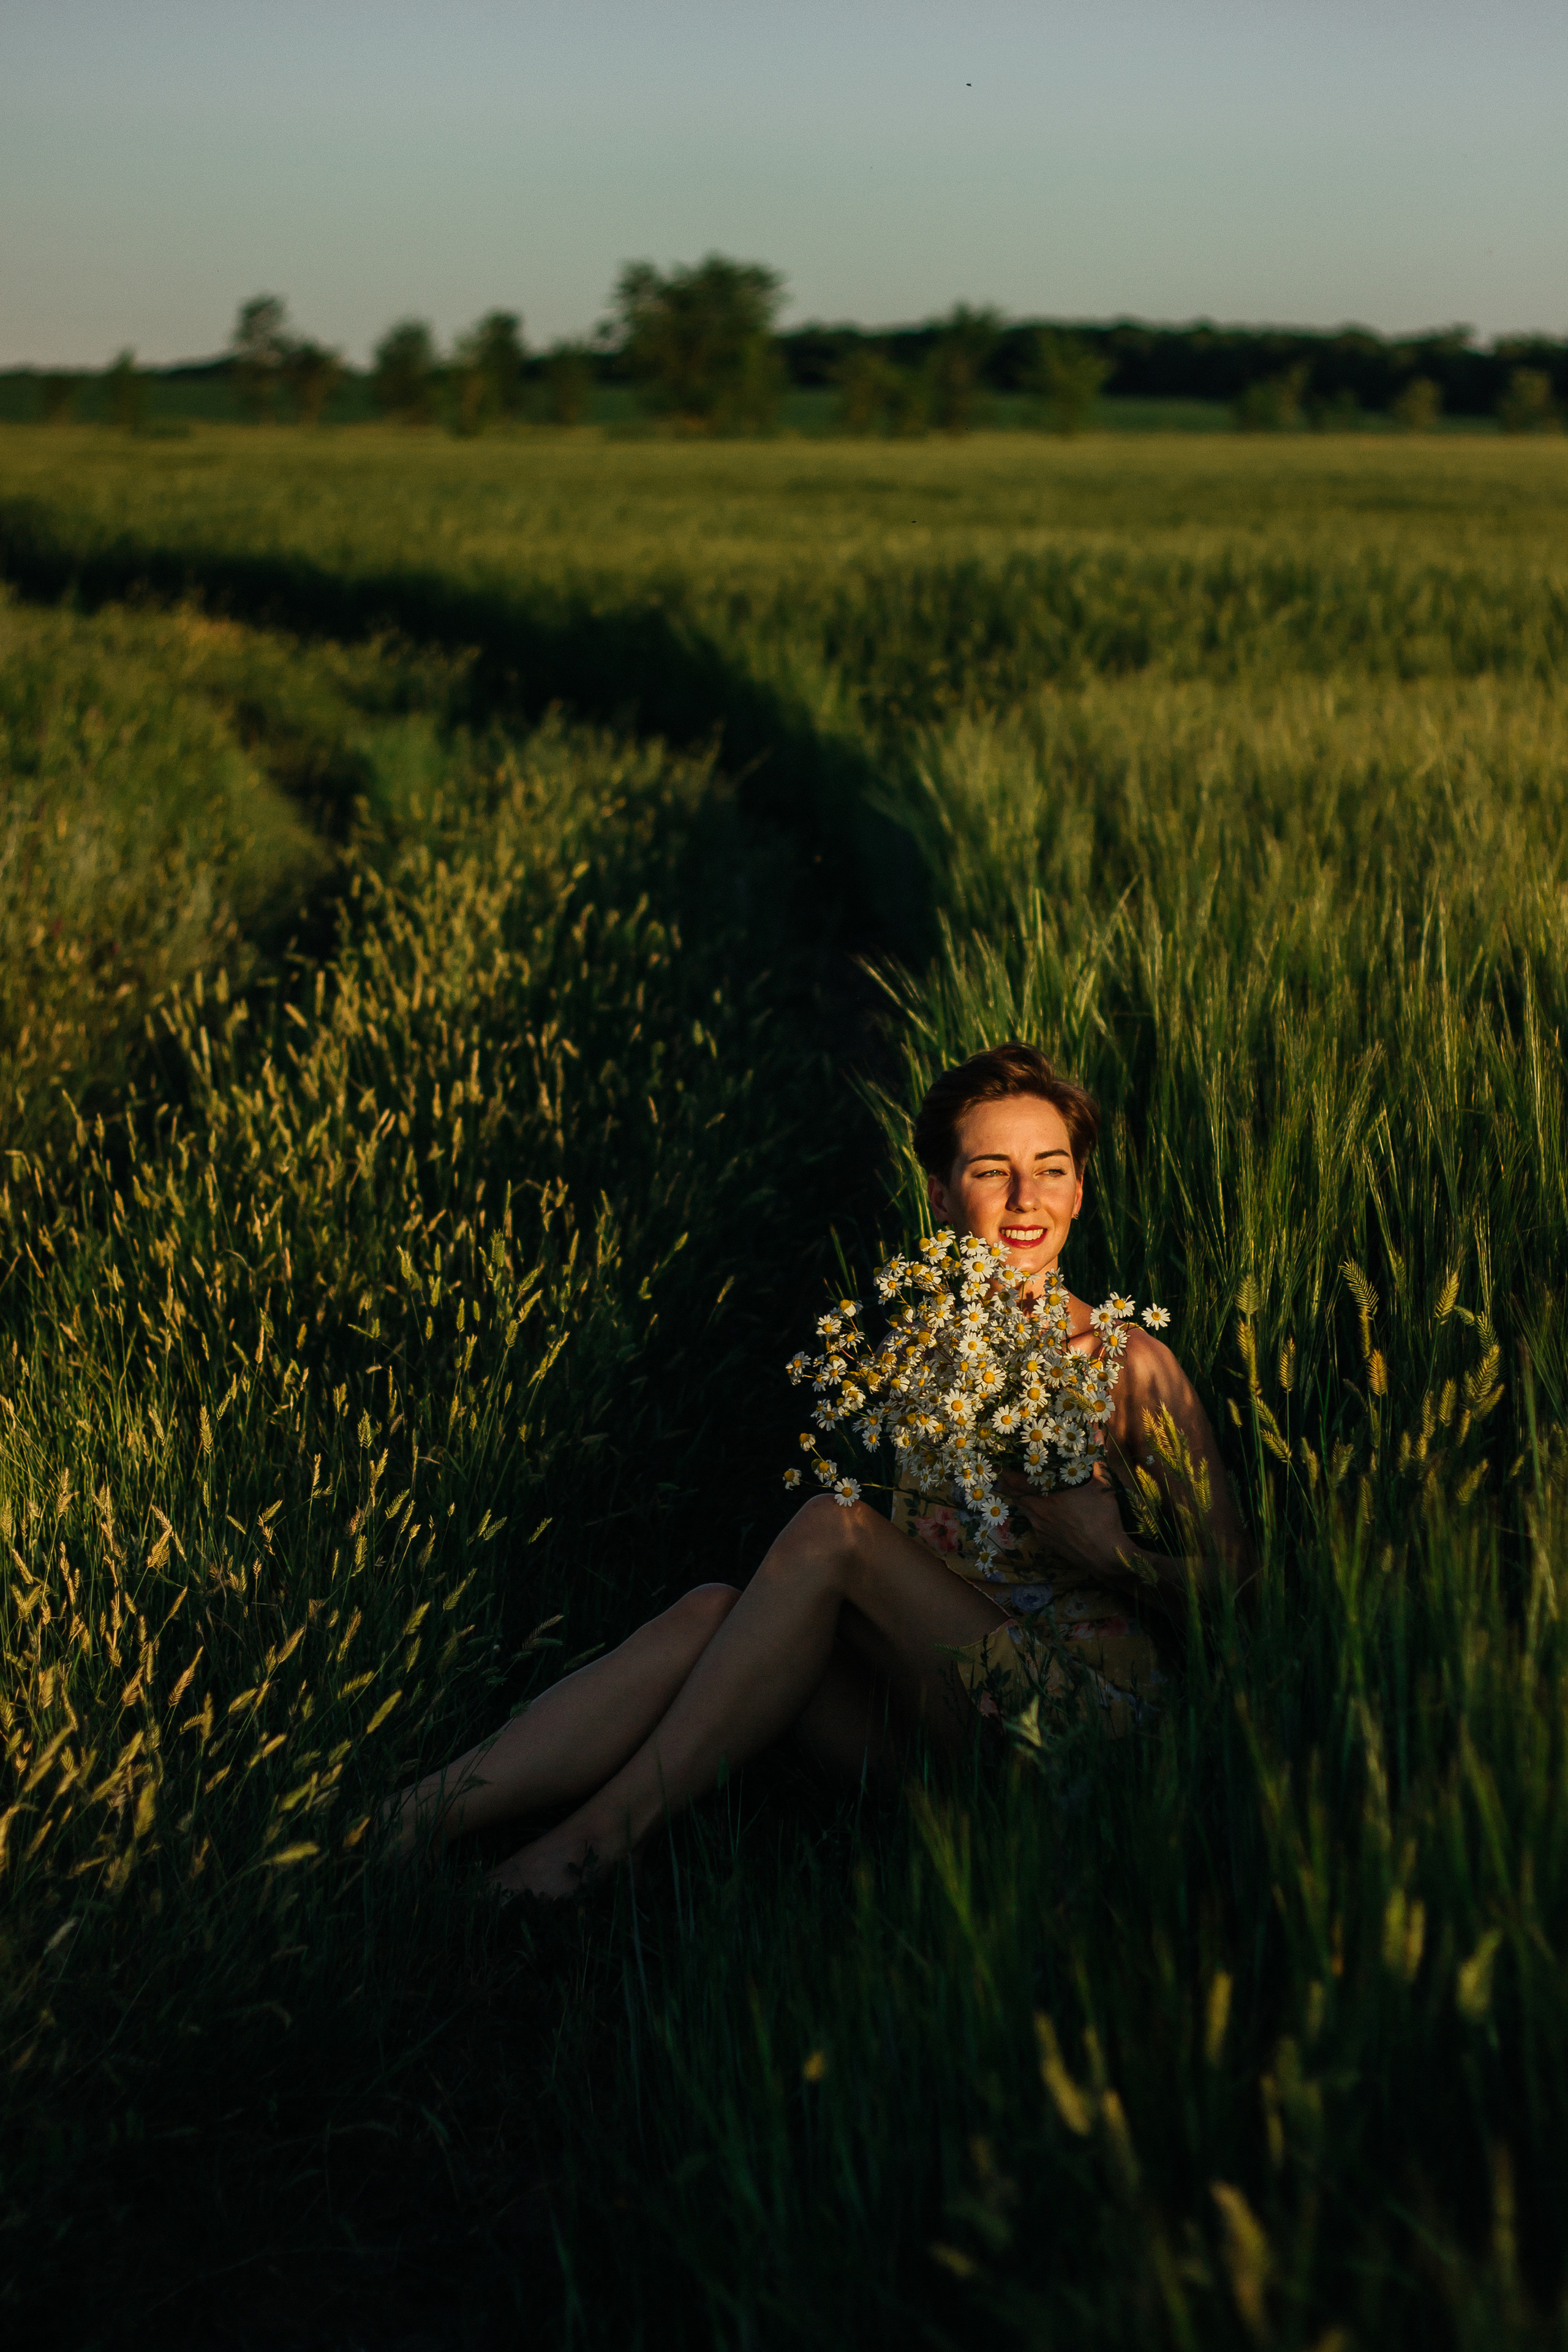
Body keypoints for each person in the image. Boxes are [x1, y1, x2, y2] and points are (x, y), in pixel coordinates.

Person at [385, 1042, 1250, 1899]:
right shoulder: (922, 1352)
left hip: (1081, 1730)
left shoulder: (1129, 1363)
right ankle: (401, 1825)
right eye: (994, 1171)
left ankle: (593, 1844)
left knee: (834, 1528)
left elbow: (1242, 1593)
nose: (1027, 1199)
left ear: (1079, 1189)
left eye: (1051, 1169)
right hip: (934, 1712)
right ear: (945, 1196)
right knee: (709, 1614)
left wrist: (1109, 1555)